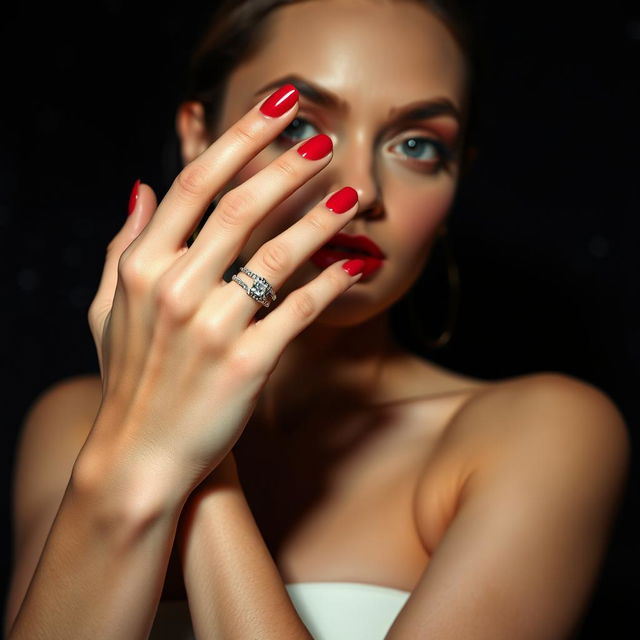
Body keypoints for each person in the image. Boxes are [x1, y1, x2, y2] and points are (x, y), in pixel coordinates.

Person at [5, 0, 631, 638]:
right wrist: (150, 437)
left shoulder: (543, 433)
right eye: (300, 127)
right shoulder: (74, 420)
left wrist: (181, 456)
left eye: (417, 145)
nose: (361, 191)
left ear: (456, 180)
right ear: (199, 135)